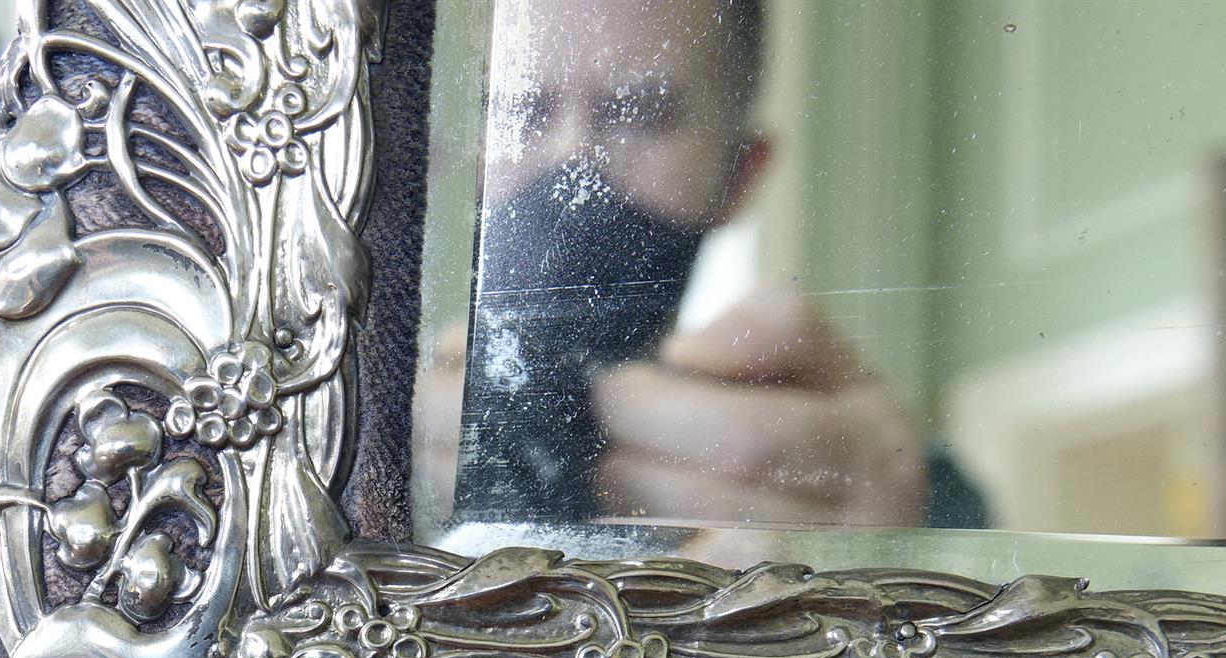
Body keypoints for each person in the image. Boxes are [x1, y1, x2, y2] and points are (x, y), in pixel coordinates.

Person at [418, 0, 982, 533]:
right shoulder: (347, 415)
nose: (571, 157)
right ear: (463, 157)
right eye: (520, 110)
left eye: (641, 114)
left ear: (741, 176)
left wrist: (887, 558)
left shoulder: (892, 482)